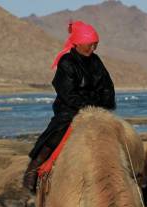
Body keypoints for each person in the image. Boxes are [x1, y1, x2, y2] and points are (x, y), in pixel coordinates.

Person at [23, 21, 116, 193]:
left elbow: (108, 87)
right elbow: (67, 93)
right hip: (70, 109)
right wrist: (87, 105)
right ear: (79, 43)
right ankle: (33, 169)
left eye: (96, 45)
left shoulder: (96, 61)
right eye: (90, 44)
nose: (93, 48)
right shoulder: (67, 62)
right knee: (56, 132)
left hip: (97, 108)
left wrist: (101, 103)